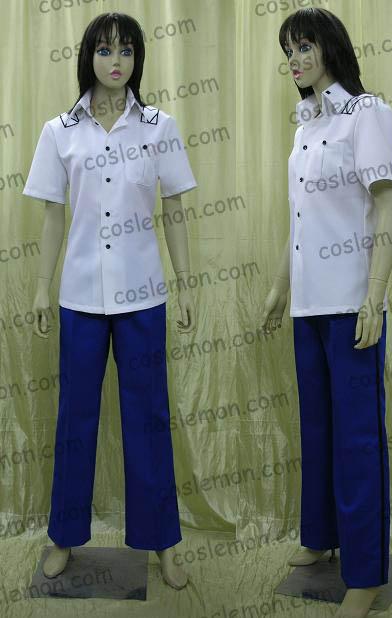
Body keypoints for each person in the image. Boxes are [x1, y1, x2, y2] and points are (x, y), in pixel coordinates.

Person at [22, 12, 197, 589]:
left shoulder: (159, 127)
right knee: (75, 417)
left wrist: (186, 283)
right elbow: (53, 215)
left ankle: (163, 541)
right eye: (104, 50)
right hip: (79, 297)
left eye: (125, 50)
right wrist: (42, 287)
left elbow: (175, 209)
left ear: (138, 58)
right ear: (88, 57)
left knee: (148, 418)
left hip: (143, 294)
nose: (115, 61)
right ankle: (63, 535)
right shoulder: (60, 131)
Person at [260, 8, 392, 617]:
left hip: (349, 302)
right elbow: (300, 218)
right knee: (316, 427)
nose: (295, 60)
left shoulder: (366, 114)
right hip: (308, 303)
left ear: (330, 48)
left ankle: (365, 573)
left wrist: (376, 295)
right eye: (288, 50)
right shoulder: (304, 125)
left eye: (304, 47)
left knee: (357, 438)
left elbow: (387, 205)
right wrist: (280, 285)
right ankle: (319, 536)